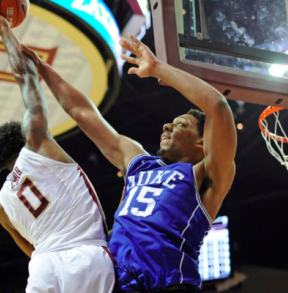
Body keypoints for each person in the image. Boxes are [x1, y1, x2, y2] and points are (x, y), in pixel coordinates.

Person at [21, 32, 237, 292]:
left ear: (201, 143)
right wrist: (44, 69)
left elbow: (218, 106)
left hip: (170, 285)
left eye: (181, 124)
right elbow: (82, 112)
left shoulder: (206, 174)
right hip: (118, 285)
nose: (167, 125)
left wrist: (158, 68)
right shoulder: (138, 163)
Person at [0, 1, 115, 292]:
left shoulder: (1, 208)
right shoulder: (37, 143)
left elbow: (31, 249)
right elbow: (25, 78)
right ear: (22, 138)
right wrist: (3, 29)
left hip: (43, 266)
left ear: (0, 164)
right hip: (85, 255)